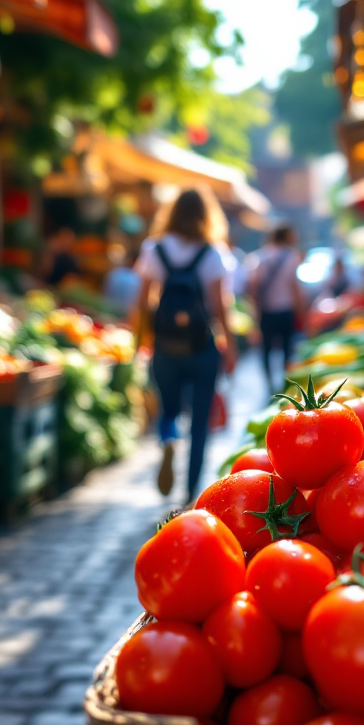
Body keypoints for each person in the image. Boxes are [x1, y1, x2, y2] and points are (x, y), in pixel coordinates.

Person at [133, 188, 237, 502]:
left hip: (166, 347)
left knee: (169, 408)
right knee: (201, 418)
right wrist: (230, 346)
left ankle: (167, 439)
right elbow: (220, 308)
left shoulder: (155, 249)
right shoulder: (212, 252)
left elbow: (141, 302)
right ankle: (191, 488)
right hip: (201, 346)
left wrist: (140, 340)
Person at [248, 224, 305, 393]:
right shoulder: (291, 256)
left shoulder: (261, 256)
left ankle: (269, 382)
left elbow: (253, 286)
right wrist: (302, 310)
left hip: (266, 311)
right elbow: (294, 287)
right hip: (286, 310)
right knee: (287, 348)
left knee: (266, 348)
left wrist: (255, 310)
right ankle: (285, 381)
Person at [103, 245, 142, 315]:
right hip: (126, 316)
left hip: (107, 312)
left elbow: (105, 293)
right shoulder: (137, 278)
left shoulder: (114, 273)